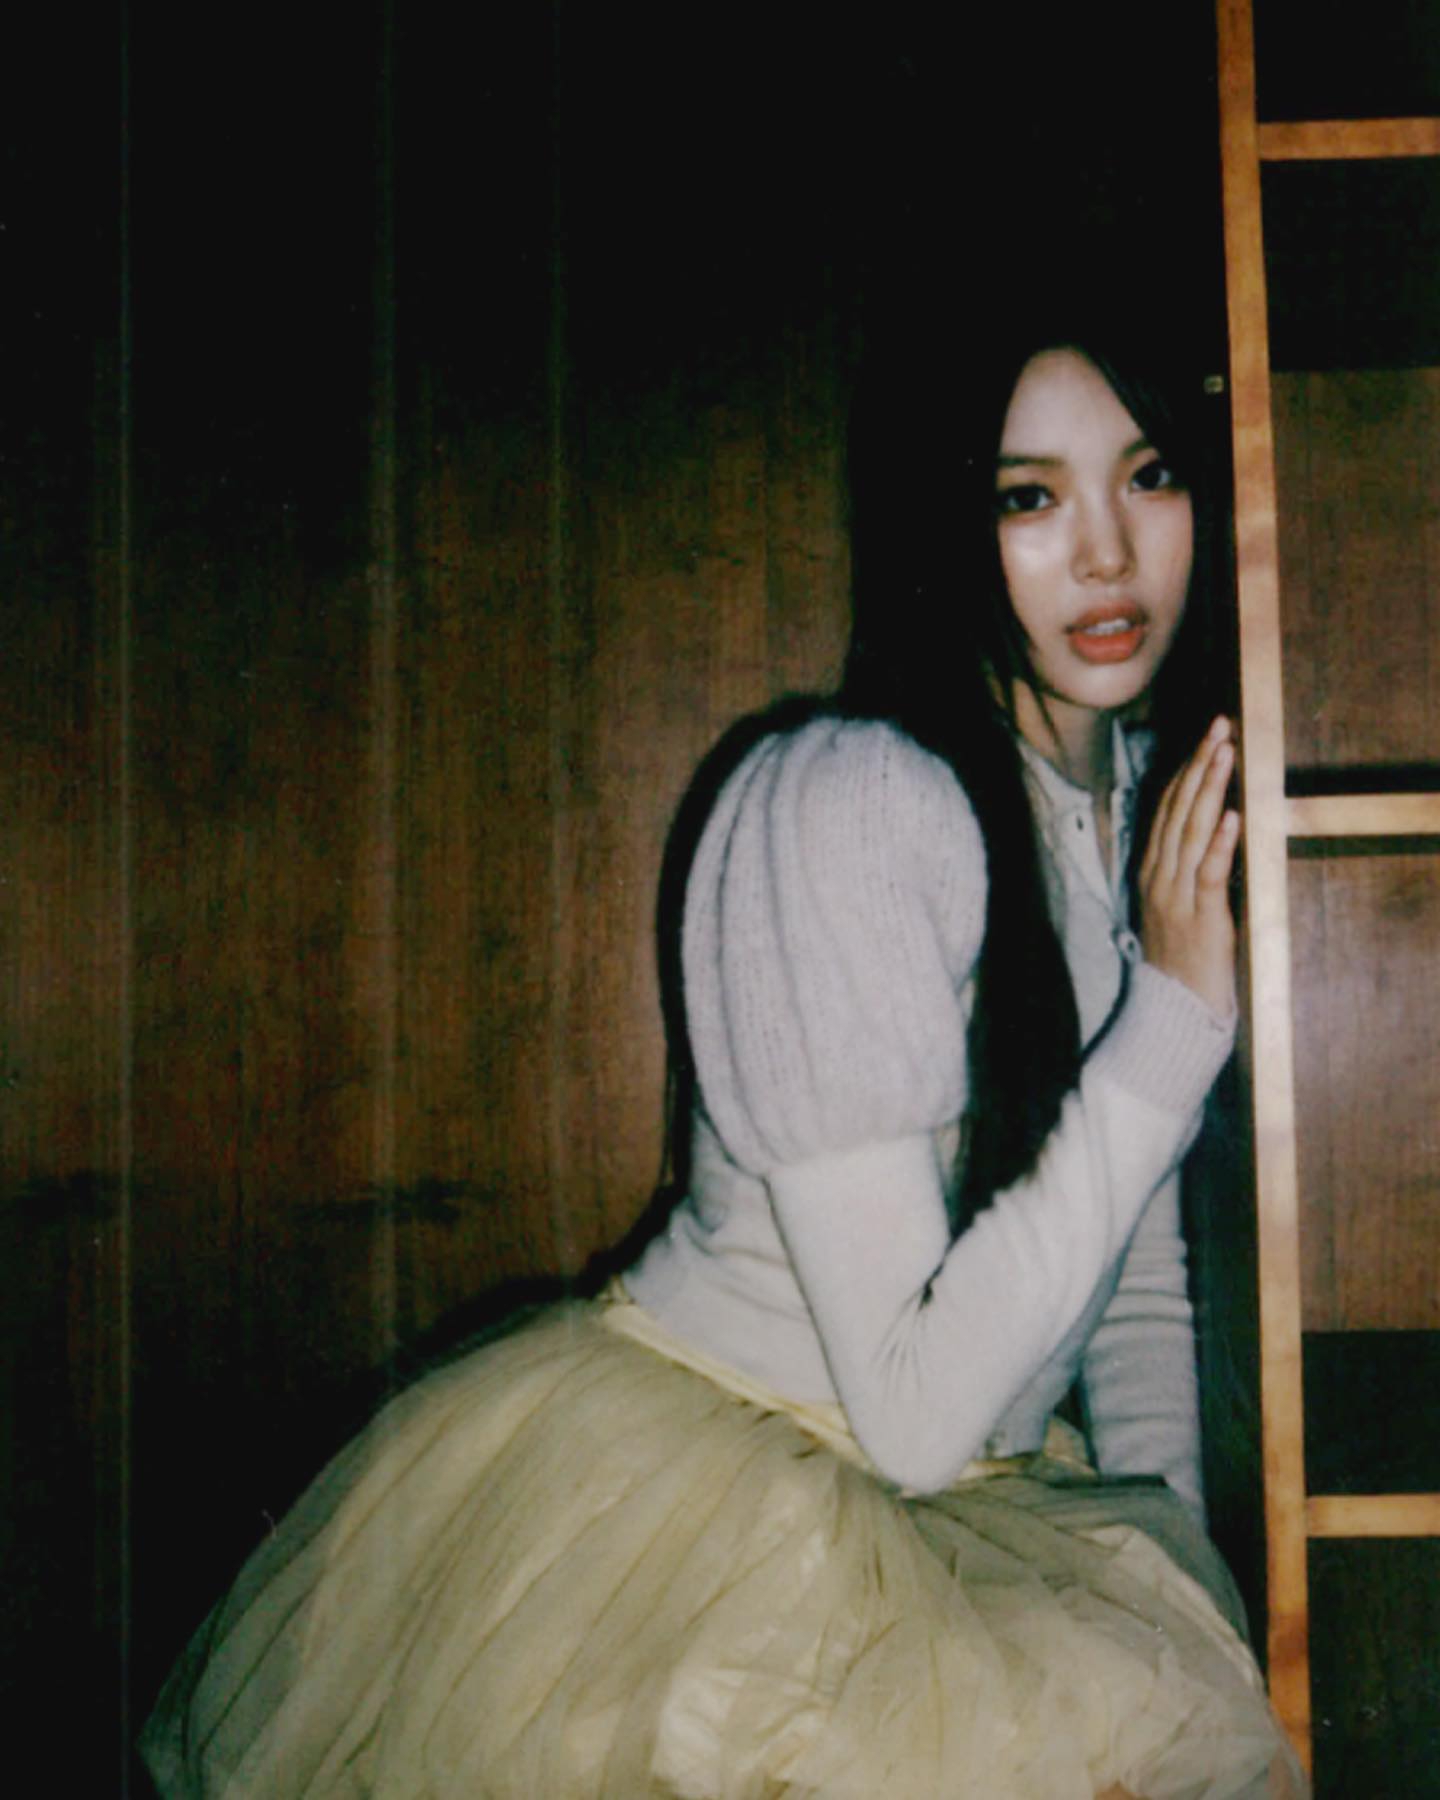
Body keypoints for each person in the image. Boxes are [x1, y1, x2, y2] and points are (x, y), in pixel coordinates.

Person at [141, 320, 1308, 1798]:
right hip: (717, 1521)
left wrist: (1181, 1591)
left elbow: (1129, 1289)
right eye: (1030, 495)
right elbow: (913, 1417)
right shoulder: (852, 805)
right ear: (945, 519)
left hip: (984, 1518)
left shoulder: (1140, 813)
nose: (1107, 554)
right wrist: (1176, 1024)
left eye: (1147, 477)